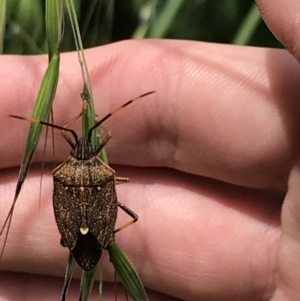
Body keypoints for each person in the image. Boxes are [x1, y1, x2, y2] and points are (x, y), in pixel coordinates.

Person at [1, 0, 300, 300]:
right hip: (96, 228)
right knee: (126, 217)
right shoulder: (102, 174)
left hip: (81, 230)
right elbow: (109, 132)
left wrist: (78, 115)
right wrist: (87, 113)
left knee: (78, 235)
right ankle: (104, 238)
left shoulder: (62, 176)